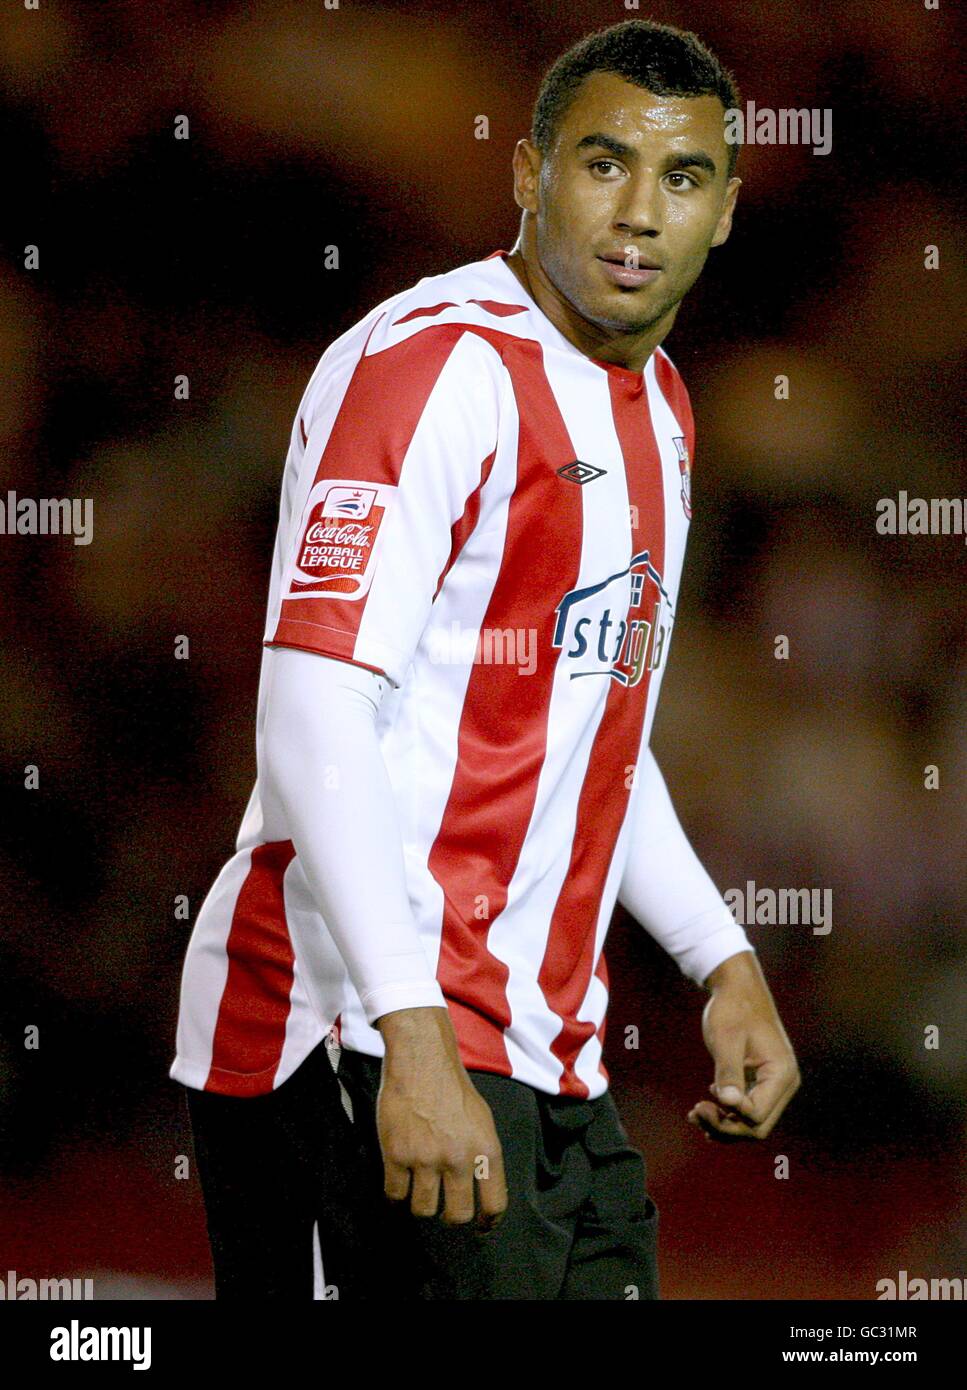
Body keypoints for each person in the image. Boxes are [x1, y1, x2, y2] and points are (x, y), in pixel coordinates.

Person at [170, 17, 800, 1300]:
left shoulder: (661, 406)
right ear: (525, 173)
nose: (636, 214)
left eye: (679, 178)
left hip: (544, 1063)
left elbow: (591, 734)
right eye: (600, 163)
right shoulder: (431, 369)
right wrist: (410, 1031)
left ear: (725, 210)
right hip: (348, 1039)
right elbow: (309, 717)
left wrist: (720, 958)